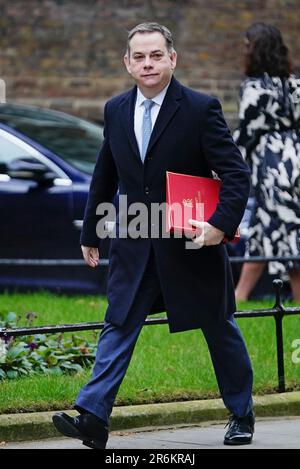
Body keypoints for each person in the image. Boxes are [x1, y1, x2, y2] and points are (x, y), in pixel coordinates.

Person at [52, 22, 254, 448]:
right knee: (119, 323)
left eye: (156, 55)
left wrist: (219, 225)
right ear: (128, 63)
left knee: (219, 328)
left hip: (191, 243)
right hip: (135, 240)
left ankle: (241, 412)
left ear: (172, 59)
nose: (148, 64)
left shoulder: (200, 109)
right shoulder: (116, 110)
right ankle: (93, 416)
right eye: (139, 57)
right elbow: (105, 173)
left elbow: (236, 174)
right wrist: (93, 230)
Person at [234, 23, 300, 302]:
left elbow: (246, 133)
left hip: (274, 166)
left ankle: (297, 305)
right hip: (296, 158)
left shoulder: (253, 88)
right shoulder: (295, 84)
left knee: (289, 238)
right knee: (262, 235)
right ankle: (238, 299)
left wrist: (226, 166)